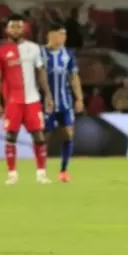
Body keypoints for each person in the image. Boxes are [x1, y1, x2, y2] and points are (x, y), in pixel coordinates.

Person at [0, 14, 53, 185]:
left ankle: (41, 174)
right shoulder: (0, 52)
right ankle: (12, 174)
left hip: (32, 100)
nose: (16, 30)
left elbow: (41, 73)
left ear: (24, 28)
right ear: (7, 29)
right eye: (13, 26)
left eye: (19, 26)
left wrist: (48, 95)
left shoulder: (34, 48)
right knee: (11, 136)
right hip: (13, 102)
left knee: (39, 137)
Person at [43, 24, 83, 183]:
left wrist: (79, 97)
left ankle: (64, 170)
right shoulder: (40, 53)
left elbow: (74, 77)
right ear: (51, 35)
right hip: (45, 102)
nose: (63, 38)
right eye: (60, 34)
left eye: (64, 35)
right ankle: (42, 169)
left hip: (65, 102)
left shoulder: (68, 54)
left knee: (68, 133)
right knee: (44, 136)